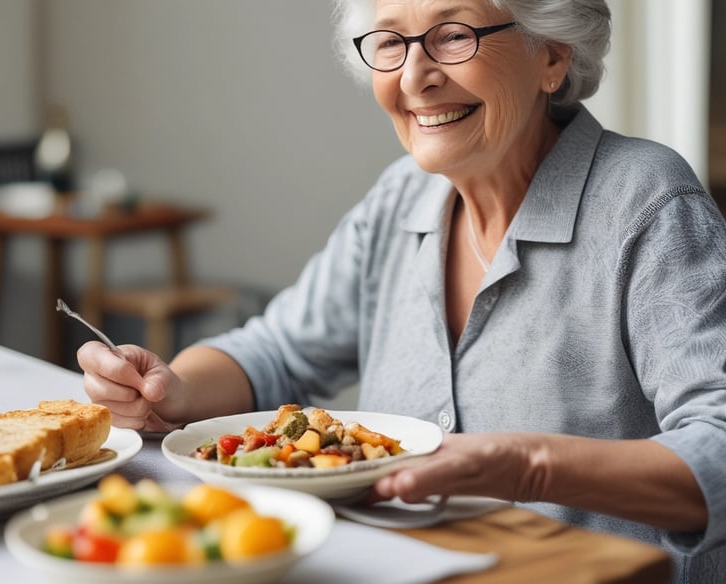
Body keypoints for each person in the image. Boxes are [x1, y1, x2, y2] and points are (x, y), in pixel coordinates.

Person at [77, 1, 726, 581]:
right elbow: (274, 351)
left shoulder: (645, 199)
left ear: (551, 56)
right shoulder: (400, 196)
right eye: (390, 42)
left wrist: (525, 465)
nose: (415, 77)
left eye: (452, 35)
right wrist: (175, 390)